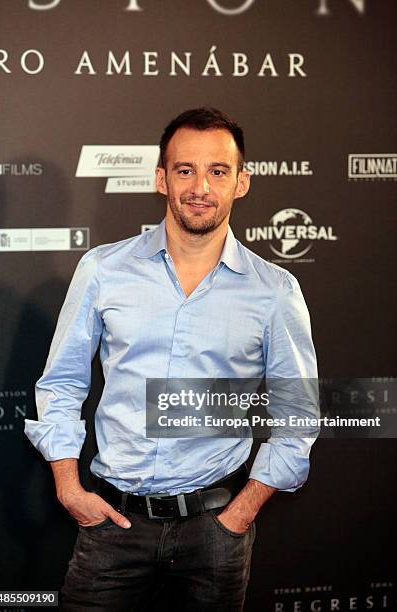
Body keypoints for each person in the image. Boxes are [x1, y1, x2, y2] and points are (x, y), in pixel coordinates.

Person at [25, 107, 318, 611]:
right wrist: (69, 487)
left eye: (218, 171)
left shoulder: (275, 291)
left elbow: (300, 415)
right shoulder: (102, 270)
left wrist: (241, 513)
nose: (200, 186)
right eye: (185, 170)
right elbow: (62, 383)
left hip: (216, 533)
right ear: (162, 179)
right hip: (112, 528)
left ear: (241, 183)